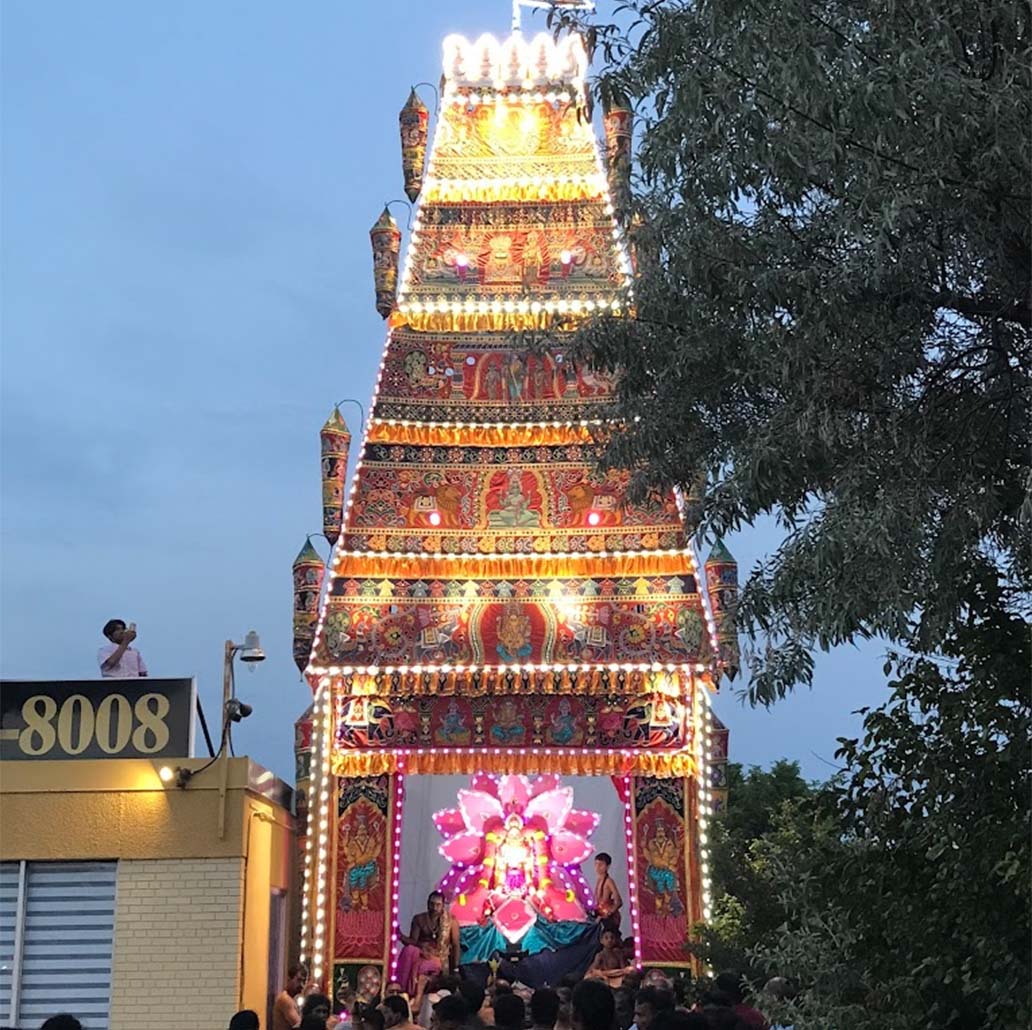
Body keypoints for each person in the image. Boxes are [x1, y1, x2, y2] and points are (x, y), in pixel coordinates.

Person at [397, 891, 460, 995]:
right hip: (422, 954)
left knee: (423, 968)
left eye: (438, 905)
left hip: (439, 957)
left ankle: (413, 993)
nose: (434, 908)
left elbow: (456, 945)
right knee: (409, 950)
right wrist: (401, 936)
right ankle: (402, 989)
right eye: (432, 904)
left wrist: (456, 968)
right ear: (427, 904)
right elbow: (413, 941)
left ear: (443, 905)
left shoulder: (451, 921)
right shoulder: (419, 919)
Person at [592, 853, 622, 931]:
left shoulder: (609, 881)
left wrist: (607, 914)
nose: (597, 867)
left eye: (601, 865)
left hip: (608, 918)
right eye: (596, 864)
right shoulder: (599, 880)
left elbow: (619, 902)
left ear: (607, 866)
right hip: (599, 914)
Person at [273, 963, 308, 1030]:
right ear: (289, 979)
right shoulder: (285, 999)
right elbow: (299, 1025)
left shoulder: (292, 999)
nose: (302, 985)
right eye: (299, 980)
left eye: (304, 981)